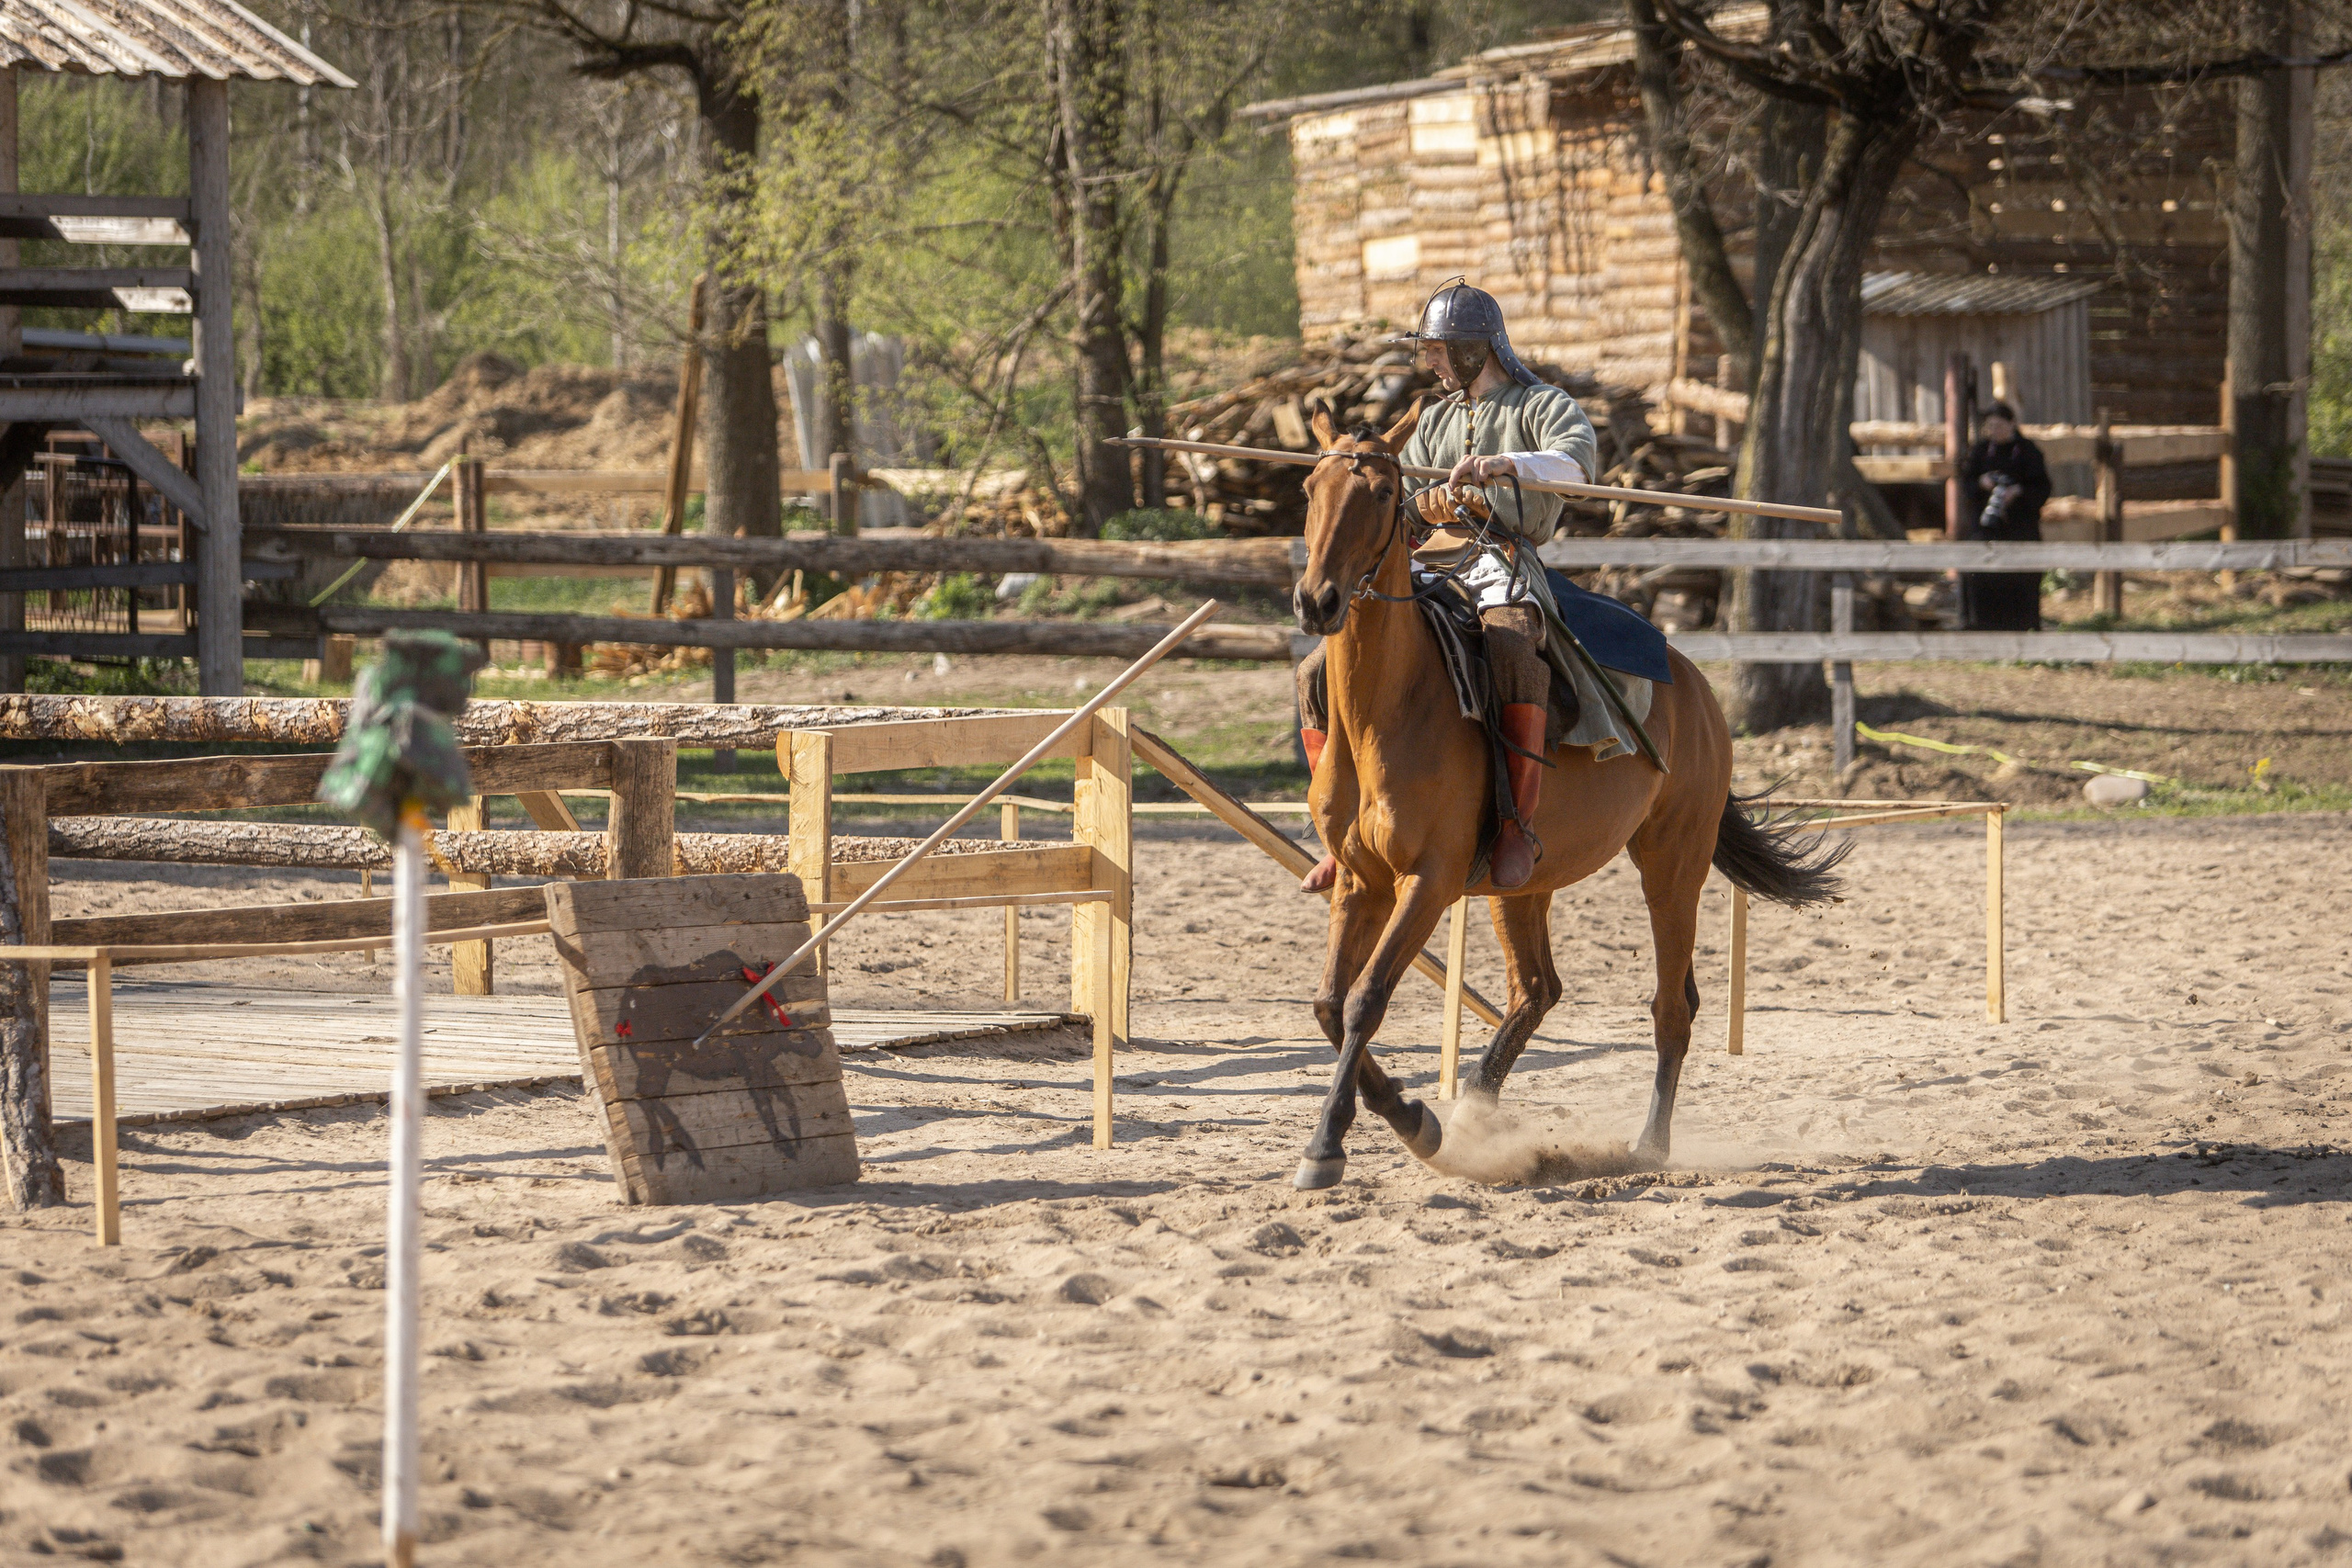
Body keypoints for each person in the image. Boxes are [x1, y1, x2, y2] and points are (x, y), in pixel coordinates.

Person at [1295, 278, 1598, 893]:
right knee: (1313, 672)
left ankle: (1516, 822)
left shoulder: (1541, 405)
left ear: (1472, 349)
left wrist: (1507, 465)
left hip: (1502, 562)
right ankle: (1343, 826)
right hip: (1430, 564)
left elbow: (1577, 467)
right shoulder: (1431, 421)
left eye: (1437, 349)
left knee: (1512, 640)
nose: (1429, 361)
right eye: (1428, 349)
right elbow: (1396, 512)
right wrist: (1417, 507)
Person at [1958, 401, 2050, 632]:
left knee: (2022, 573)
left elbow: (2042, 487)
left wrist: (2018, 492)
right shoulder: (1980, 451)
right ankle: (1981, 625)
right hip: (1987, 525)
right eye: (1990, 426)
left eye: (1999, 425)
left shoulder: (2028, 451)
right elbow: (1967, 482)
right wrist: (1982, 483)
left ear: (2012, 424)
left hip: (2020, 524)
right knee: (1980, 571)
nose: (1995, 431)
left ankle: (2023, 625)